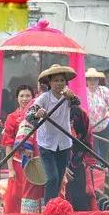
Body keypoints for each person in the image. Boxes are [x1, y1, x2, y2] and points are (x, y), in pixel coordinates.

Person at [25, 64, 76, 204]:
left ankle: (54, 206)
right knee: (52, 177)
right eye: (56, 80)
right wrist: (37, 114)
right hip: (47, 144)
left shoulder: (69, 96)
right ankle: (48, 208)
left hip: (64, 142)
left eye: (62, 80)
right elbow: (28, 116)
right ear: (50, 83)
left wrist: (72, 98)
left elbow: (77, 107)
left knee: (59, 179)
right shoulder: (44, 98)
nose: (59, 83)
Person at [1, 85, 44, 214]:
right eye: (22, 96)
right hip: (18, 164)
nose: (25, 99)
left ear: (33, 98)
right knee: (15, 196)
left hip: (36, 162)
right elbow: (8, 144)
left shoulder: (39, 115)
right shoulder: (12, 117)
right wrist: (10, 169)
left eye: (28, 96)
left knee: (33, 195)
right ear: (17, 98)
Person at [66, 95, 94, 211]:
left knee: (79, 195)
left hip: (77, 158)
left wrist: (87, 160)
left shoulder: (81, 114)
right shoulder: (51, 111)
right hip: (56, 160)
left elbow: (88, 138)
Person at [85, 68, 109, 156]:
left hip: (104, 127)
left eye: (95, 79)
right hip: (89, 129)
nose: (92, 81)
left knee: (106, 153)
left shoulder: (104, 90)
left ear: (98, 80)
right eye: (90, 79)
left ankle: (106, 169)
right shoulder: (83, 92)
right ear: (86, 80)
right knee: (93, 153)